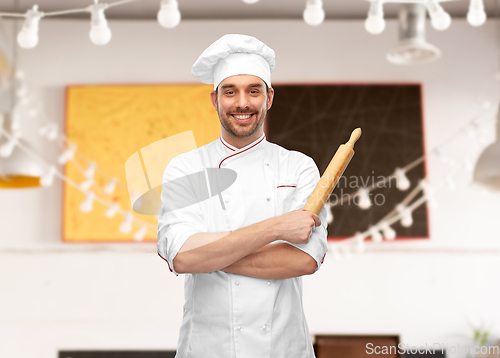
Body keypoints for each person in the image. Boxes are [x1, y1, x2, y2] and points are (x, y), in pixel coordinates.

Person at [157, 34, 328, 358]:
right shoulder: (185, 168)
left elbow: (305, 259)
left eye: (254, 90)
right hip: (209, 348)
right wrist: (276, 228)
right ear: (214, 99)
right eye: (230, 91)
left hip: (282, 348)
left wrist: (211, 256)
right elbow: (182, 257)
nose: (242, 103)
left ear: (269, 97)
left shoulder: (299, 167)